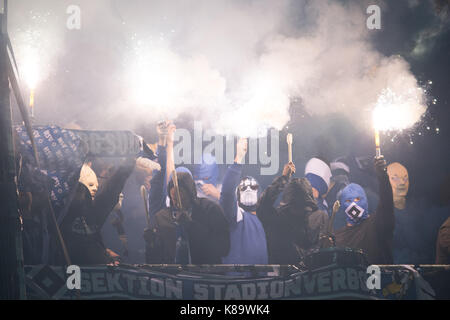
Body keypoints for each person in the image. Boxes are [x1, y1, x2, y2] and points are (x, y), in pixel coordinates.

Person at [59, 160, 135, 265]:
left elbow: (111, 191)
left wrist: (104, 254)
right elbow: (110, 191)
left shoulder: (94, 213)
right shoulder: (59, 217)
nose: (94, 189)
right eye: (89, 185)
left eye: (96, 186)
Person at [257, 162, 329, 264]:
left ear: (287, 197)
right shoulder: (321, 218)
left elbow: (262, 206)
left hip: (281, 278)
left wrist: (283, 178)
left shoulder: (277, 219)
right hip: (313, 277)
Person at [334, 156, 394, 265]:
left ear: (365, 201)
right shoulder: (337, 237)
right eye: (348, 200)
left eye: (357, 199)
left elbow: (386, 204)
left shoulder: (375, 225)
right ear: (342, 205)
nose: (353, 204)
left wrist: (383, 177)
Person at [220, 138, 268, 264]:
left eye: (253, 187)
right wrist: (238, 159)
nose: (248, 189)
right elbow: (227, 194)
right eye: (243, 187)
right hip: (236, 280)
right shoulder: (237, 216)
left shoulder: (261, 221)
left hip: (261, 281)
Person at [386, 162, 425, 264]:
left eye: (405, 178)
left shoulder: (418, 211)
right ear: (385, 182)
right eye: (395, 178)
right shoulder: (382, 214)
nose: (402, 182)